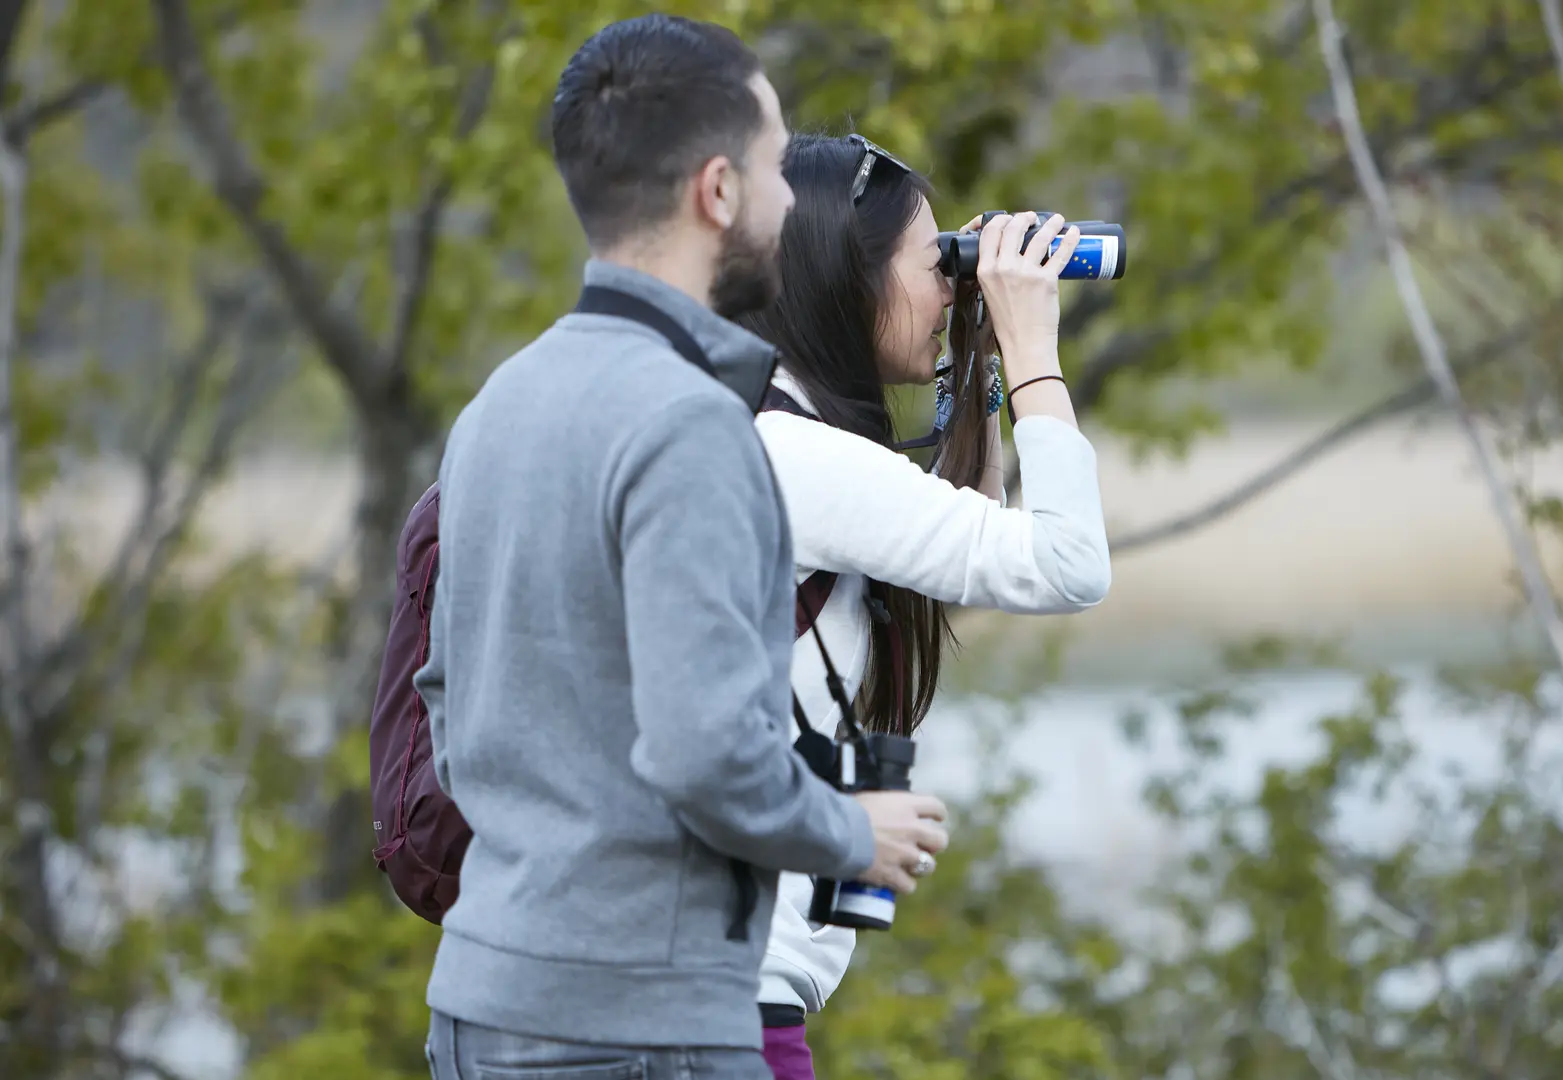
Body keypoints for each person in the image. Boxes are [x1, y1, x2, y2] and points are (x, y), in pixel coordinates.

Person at [414, 22, 949, 1079]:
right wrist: (849, 831)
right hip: (642, 1032)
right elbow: (705, 750)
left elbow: (445, 700)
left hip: (481, 1010)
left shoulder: (497, 405)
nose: (792, 202)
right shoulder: (691, 423)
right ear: (717, 192)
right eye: (773, 166)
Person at [736, 134, 1112, 1079]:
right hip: (724, 1013)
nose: (951, 281)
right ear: (847, 282)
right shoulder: (798, 456)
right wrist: (1035, 351)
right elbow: (1068, 563)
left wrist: (980, 352)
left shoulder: (764, 427)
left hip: (717, 995)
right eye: (932, 261)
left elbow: (955, 543)